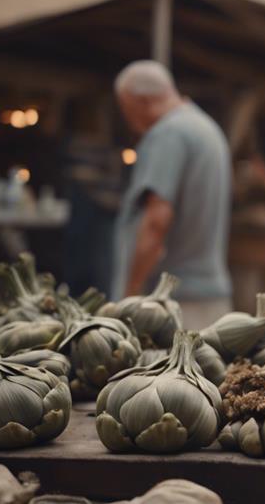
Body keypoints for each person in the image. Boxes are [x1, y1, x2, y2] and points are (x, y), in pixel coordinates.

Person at [111, 60, 232, 328]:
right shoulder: (206, 128)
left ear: (143, 101)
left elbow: (156, 222)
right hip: (210, 299)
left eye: (126, 110)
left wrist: (129, 298)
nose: (130, 122)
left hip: (174, 307)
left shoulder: (167, 135)